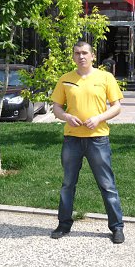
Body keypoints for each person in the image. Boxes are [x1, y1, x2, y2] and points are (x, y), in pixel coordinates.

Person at [50, 41, 125, 244]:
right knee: (68, 184)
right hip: (72, 139)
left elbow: (116, 106)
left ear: (93, 56)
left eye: (85, 53)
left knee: (107, 185)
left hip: (98, 139)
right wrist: (66, 116)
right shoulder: (65, 79)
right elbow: (56, 107)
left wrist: (99, 118)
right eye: (77, 53)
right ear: (73, 57)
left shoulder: (105, 77)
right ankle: (63, 224)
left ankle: (117, 227)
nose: (81, 56)